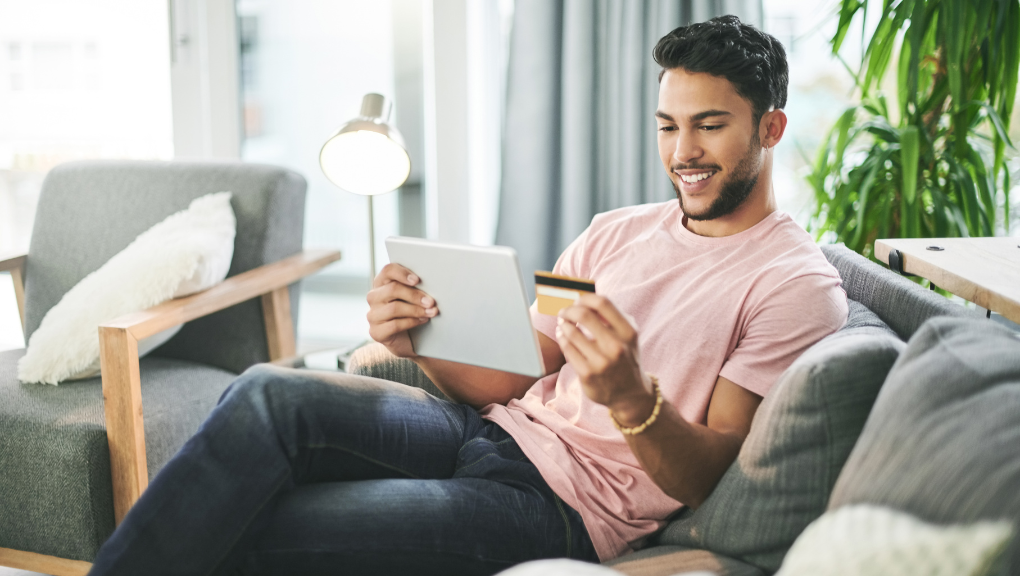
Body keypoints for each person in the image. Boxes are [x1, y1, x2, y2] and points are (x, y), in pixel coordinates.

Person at [88, 15, 847, 576]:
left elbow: (710, 469)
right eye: (668, 126)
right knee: (265, 392)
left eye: (709, 127)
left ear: (770, 126)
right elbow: (518, 373)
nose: (683, 153)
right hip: (484, 429)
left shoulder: (794, 284)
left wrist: (629, 399)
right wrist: (417, 340)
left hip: (563, 512)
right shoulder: (613, 231)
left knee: (263, 524)